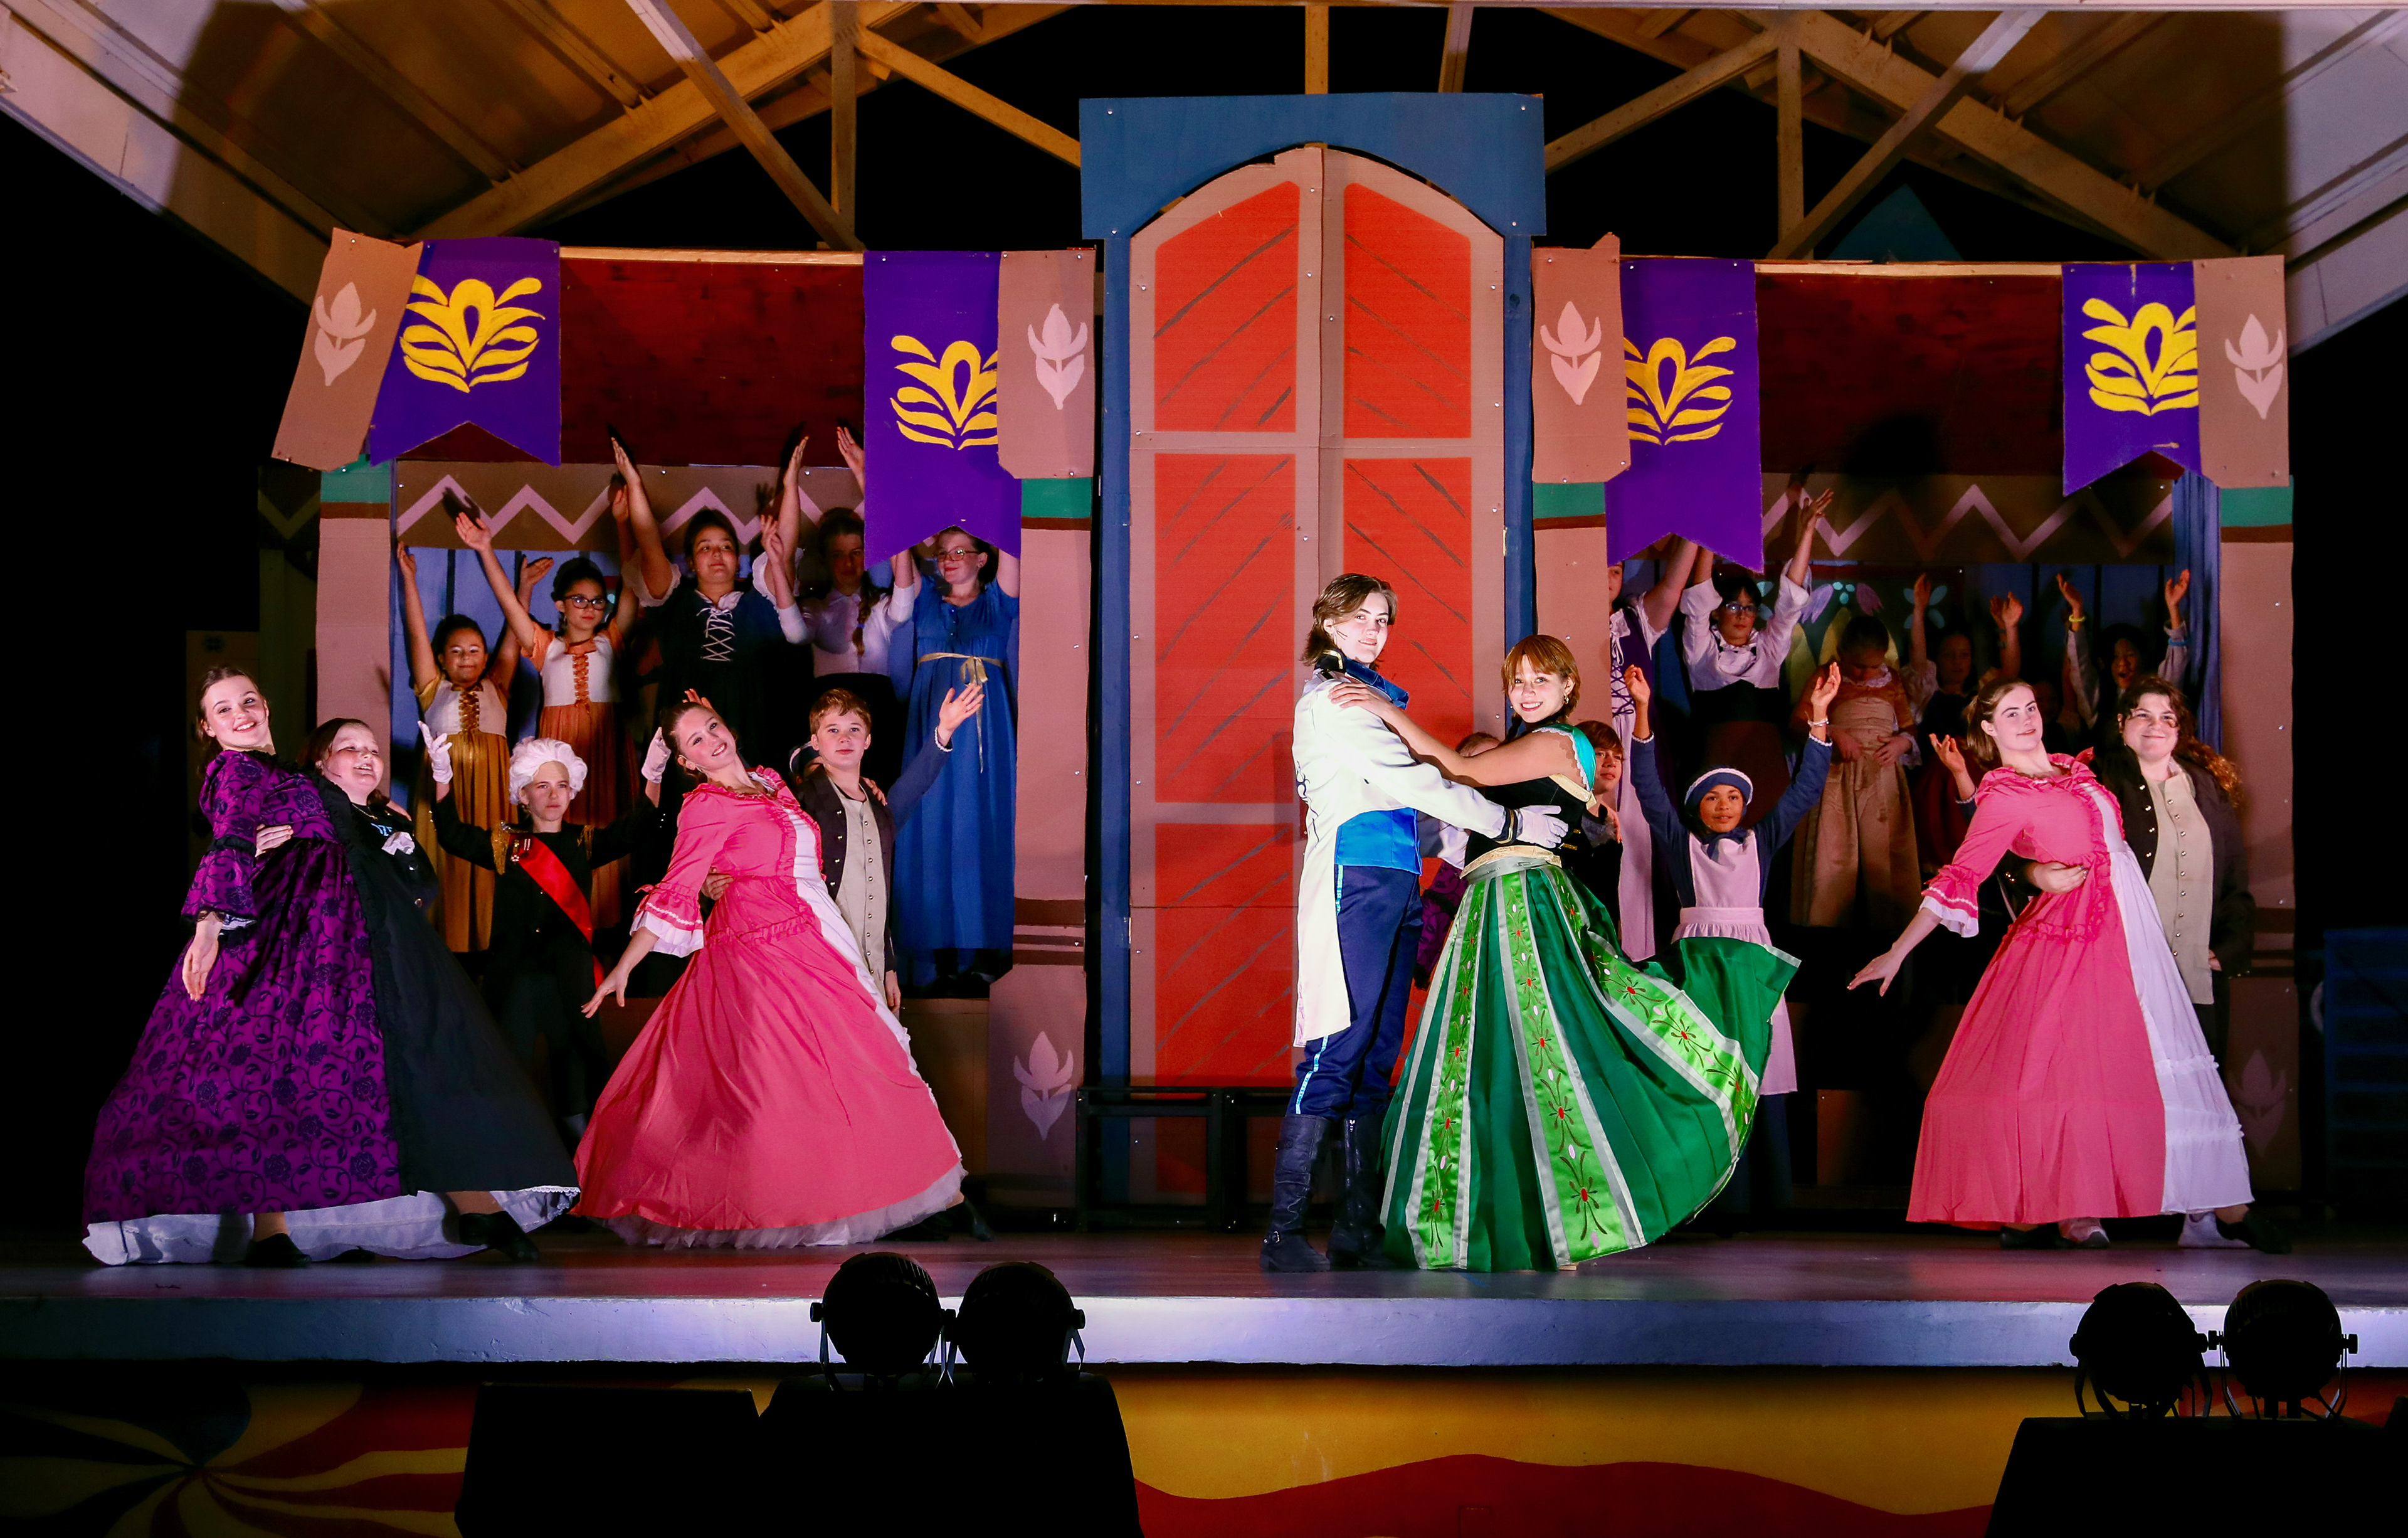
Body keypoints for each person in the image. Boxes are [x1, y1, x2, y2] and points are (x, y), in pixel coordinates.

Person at [1334, 635, 1795, 1272]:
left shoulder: (1557, 742)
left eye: (1540, 681)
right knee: (1506, 1060)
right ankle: (1526, 1221)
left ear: (1568, 688)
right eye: (1518, 682)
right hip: (1495, 901)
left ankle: (1564, 1223)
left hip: (1522, 903)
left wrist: (1384, 709)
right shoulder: (1535, 742)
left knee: (1544, 1054)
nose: (1526, 692)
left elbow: (1461, 769)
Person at [1848, 679, 2286, 1253]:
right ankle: (2044, 1208)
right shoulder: (2003, 794)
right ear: (1989, 729)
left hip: (2130, 926)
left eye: (2031, 707)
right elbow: (1965, 873)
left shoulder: (2076, 769)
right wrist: (1899, 950)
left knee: (2162, 1060)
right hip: (2073, 935)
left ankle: (2224, 1203)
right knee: (2064, 1076)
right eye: (2011, 713)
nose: (2027, 719)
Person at [573, 696, 967, 1248]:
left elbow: (819, 797)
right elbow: (679, 883)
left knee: (866, 1058)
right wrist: (625, 965)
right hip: (760, 945)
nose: (712, 740)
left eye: (713, 726)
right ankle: (779, 1201)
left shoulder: (773, 783)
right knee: (776, 1080)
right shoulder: (704, 805)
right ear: (686, 761)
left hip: (816, 928)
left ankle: (890, 1191)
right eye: (695, 740)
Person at [1276, 578, 1568, 1271]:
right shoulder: (1333, 698)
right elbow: (1414, 784)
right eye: (1358, 618)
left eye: (1382, 620)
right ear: (1328, 622)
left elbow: (1416, 811)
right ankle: (1282, 1235)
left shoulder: (1367, 697)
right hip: (1354, 880)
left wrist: (1503, 847)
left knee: (1378, 1058)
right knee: (1337, 1052)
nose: (1372, 631)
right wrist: (1509, 822)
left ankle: (1356, 1229)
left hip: (1396, 881)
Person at [85, 671, 404, 1265]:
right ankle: (270, 1231)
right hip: (279, 931)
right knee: (262, 1071)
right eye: (224, 709)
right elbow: (230, 836)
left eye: (249, 701)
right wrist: (207, 927)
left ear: (267, 706)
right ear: (208, 728)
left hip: (328, 932)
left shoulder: (290, 774)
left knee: (316, 1072)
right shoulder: (236, 769)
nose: (241, 714)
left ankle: (313, 1226)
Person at [285, 718, 579, 1261]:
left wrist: (399, 839)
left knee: (436, 1068)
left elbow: (423, 887)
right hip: (341, 964)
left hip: (402, 957)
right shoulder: (309, 808)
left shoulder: (384, 817)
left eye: (372, 748)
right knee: (362, 1081)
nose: (367, 756)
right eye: (349, 748)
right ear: (321, 762)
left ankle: (476, 1204)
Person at [1629, 662, 1839, 1215]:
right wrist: (1643, 711)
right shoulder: (1681, 843)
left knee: (1760, 1064)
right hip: (1700, 964)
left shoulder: (1761, 841)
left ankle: (1768, 1199)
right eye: (1712, 797)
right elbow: (1648, 790)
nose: (1723, 805)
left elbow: (1804, 792)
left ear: (1745, 806)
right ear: (1696, 806)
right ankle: (1718, 1201)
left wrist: (1819, 718)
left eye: (1732, 797)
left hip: (1751, 965)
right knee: (1710, 1068)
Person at [2084, 677, 2255, 1248]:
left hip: (2195, 974)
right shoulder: (2100, 780)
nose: (2155, 726)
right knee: (2113, 1092)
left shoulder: (2206, 787)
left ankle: (2201, 1217)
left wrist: (2227, 950)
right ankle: (2089, 1209)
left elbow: (2235, 882)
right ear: (2121, 724)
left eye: (2167, 718)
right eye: (2143, 715)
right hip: (2125, 971)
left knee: (2197, 1098)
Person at [431, 735, 661, 1143]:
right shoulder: (508, 845)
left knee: (575, 1062)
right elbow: (451, 834)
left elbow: (636, 829)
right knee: (508, 1060)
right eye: (542, 786)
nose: (554, 795)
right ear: (523, 795)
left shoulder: (583, 841)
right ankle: (506, 1143)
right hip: (514, 976)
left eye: (562, 785)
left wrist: (653, 774)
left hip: (569, 977)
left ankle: (582, 1144)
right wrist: (442, 776)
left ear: (573, 791)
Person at [458, 497, 642, 926]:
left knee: (608, 827)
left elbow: (634, 584)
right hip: (562, 746)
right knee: (563, 825)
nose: (590, 609)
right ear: (560, 604)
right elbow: (509, 605)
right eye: (579, 600)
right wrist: (485, 549)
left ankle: (609, 922)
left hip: (606, 744)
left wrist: (623, 523)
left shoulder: (612, 640)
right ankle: (564, 911)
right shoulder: (546, 647)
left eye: (598, 601)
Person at [783, 684, 984, 1016]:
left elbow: (914, 786)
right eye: (833, 730)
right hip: (821, 961)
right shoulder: (802, 804)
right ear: (816, 743)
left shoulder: (879, 810)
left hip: (874, 965)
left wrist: (945, 730)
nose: (844, 738)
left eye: (854, 730)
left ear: (868, 741)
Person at [882, 519, 1020, 990]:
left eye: (962, 551)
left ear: (982, 559)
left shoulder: (999, 603)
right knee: (928, 824)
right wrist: (893, 501)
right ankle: (934, 952)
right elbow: (900, 558)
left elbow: (1011, 543)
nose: (950, 559)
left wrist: (987, 503)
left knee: (982, 823)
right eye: (943, 552)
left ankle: (983, 948)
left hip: (985, 734)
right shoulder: (924, 602)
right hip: (930, 726)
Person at [617, 433, 806, 762]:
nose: (717, 554)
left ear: (737, 560)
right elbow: (649, 544)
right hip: (687, 727)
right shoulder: (673, 603)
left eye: (726, 547)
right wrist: (635, 484)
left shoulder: (761, 602)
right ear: (691, 562)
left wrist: (791, 485)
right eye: (705, 547)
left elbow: (785, 550)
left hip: (754, 724)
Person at [398, 539, 525, 954]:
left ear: (486, 658)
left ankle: (490, 946)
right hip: (444, 792)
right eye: (456, 651)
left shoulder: (498, 687)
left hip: (492, 794)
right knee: (445, 859)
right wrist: (409, 579)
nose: (466, 658)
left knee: (490, 860)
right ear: (441, 658)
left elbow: (515, 636)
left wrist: (524, 589)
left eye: (474, 651)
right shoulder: (432, 689)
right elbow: (416, 632)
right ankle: (442, 947)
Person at [765, 428, 909, 787]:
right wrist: (777, 562)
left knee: (881, 799)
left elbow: (905, 599)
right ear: (826, 560)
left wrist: (866, 479)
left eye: (857, 552)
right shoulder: (816, 609)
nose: (848, 563)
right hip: (829, 716)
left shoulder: (882, 608)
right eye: (839, 554)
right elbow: (795, 632)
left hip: (879, 717)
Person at [1674, 490, 1828, 821]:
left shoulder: (1769, 650)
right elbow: (1698, 600)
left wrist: (1808, 531)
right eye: (1733, 606)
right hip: (1715, 759)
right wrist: (1708, 536)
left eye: (1749, 607)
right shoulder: (1701, 650)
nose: (1743, 615)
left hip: (1765, 761)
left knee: (1766, 831)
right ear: (1718, 611)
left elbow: (1790, 604)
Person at [1791, 615, 1921, 930]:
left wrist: (1902, 744)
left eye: (1874, 666)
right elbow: (1797, 723)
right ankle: (1827, 931)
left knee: (1883, 859)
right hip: (1838, 777)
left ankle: (1891, 934)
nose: (1866, 673)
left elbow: (1909, 727)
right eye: (1859, 666)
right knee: (1835, 856)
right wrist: (1833, 732)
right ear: (1841, 653)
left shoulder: (1891, 680)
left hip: (1882, 777)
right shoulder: (1826, 676)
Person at [1598, 549, 1691, 960]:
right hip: (1590, 750)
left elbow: (1671, 589)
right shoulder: (1564, 618)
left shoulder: (1634, 620)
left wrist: (1694, 533)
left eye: (1615, 571)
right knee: (1599, 845)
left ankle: (1641, 956)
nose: (1608, 579)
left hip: (1636, 745)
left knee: (1640, 846)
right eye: (1600, 570)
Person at [2061, 570, 2192, 755]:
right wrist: (2077, 611)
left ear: (2142, 658)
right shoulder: (2098, 703)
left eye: (2130, 655)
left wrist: (2173, 607)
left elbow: (2177, 662)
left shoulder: (2157, 693)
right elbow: (2078, 664)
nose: (2123, 663)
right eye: (2115, 657)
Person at [1411, 731, 1498, 988]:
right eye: (1483, 758)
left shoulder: (1497, 818)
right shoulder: (1428, 799)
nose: (1492, 768)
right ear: (1460, 758)